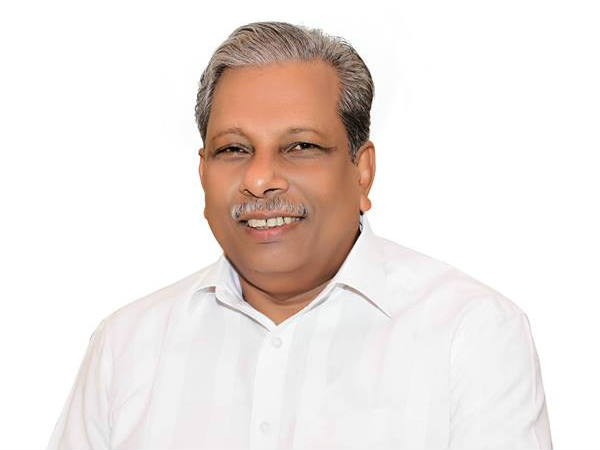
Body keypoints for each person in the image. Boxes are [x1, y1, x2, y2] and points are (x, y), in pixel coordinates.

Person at [47, 21, 552, 449]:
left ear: (362, 172)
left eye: (300, 147)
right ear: (202, 173)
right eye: (234, 149)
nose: (260, 178)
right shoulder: (125, 347)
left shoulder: (471, 333)